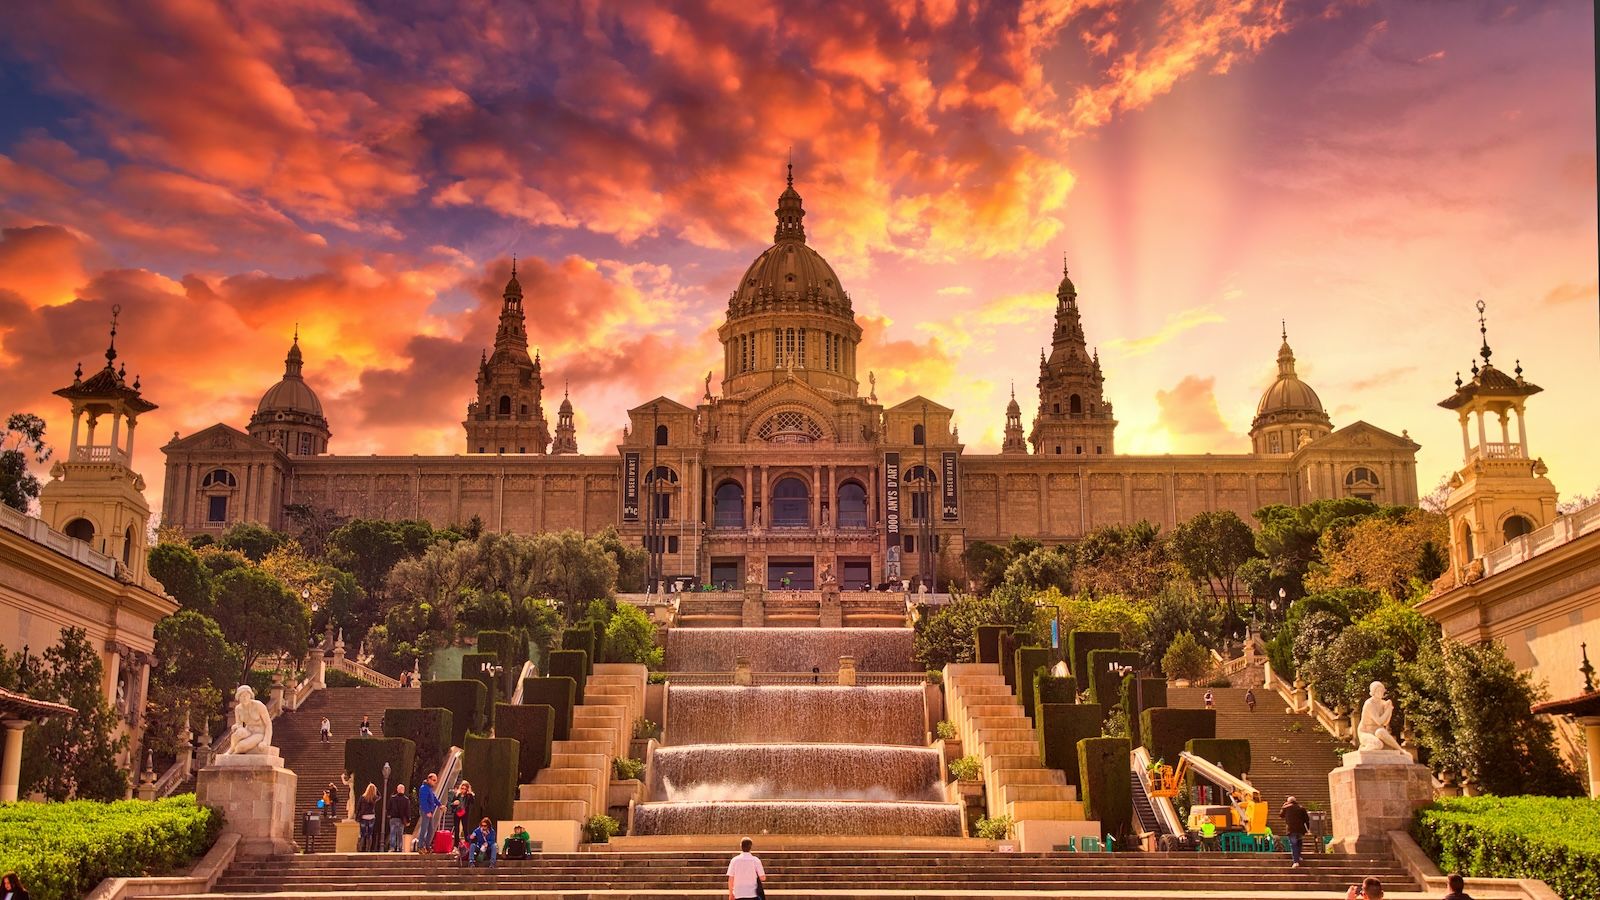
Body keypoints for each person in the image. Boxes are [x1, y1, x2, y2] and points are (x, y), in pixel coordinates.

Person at [1281, 795, 1311, 868]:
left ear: (1288, 801)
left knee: (1293, 845)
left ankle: (1296, 861)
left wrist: (1283, 806)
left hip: (1291, 829)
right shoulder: (1301, 808)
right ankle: (1299, 856)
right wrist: (1308, 828)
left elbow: (1281, 815)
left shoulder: (1286, 808)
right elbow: (1307, 819)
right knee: (1299, 843)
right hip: (1300, 829)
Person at [416, 772, 441, 853]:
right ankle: (420, 846)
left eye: (435, 781)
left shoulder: (429, 788)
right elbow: (423, 801)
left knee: (431, 829)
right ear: (429, 779)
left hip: (430, 811)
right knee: (424, 829)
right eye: (433, 780)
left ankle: (427, 846)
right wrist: (427, 811)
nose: (435, 782)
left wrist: (440, 805)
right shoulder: (424, 788)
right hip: (426, 811)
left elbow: (433, 797)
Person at [386, 783, 411, 852]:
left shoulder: (392, 798)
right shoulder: (406, 800)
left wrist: (389, 815)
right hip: (401, 819)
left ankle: (392, 847)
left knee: (392, 833)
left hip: (393, 818)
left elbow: (388, 808)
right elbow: (407, 810)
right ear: (403, 790)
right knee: (400, 834)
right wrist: (408, 820)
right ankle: (399, 847)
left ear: (397, 790)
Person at [356, 783, 379, 852]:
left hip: (363, 817)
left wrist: (357, 817)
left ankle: (360, 848)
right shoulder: (374, 798)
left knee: (362, 833)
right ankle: (368, 849)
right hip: (371, 816)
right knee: (370, 834)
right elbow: (380, 796)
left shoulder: (362, 797)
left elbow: (358, 808)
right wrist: (376, 789)